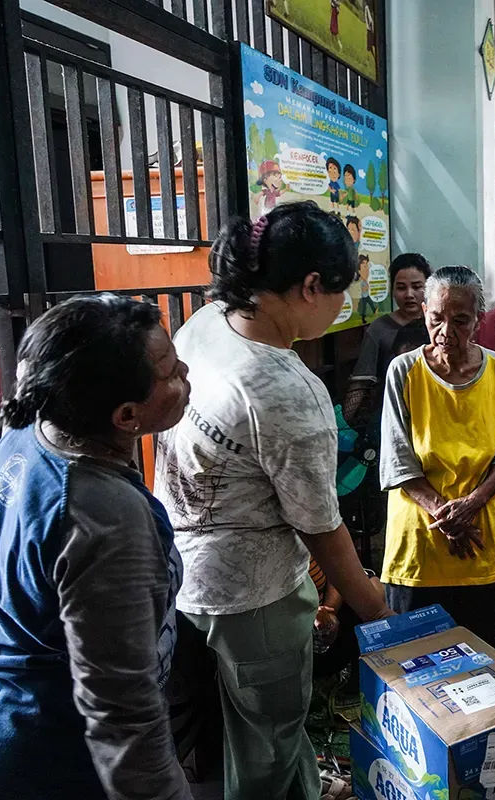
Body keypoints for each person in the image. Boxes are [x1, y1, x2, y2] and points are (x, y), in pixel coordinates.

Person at [155, 201, 391, 800]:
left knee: (227, 726)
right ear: (310, 286)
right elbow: (323, 530)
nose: (343, 307)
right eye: (342, 292)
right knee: (268, 740)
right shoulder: (286, 390)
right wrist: (376, 606)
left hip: (181, 570)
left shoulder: (206, 321)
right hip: (253, 596)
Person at [0, 295, 192, 800]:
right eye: (169, 371)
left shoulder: (32, 428)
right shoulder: (104, 513)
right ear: (127, 414)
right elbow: (121, 709)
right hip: (38, 757)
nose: (184, 371)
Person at [379, 266, 495, 643]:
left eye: (460, 320)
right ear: (424, 312)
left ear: (479, 319)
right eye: (436, 319)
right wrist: (446, 515)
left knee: (476, 661)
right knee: (411, 663)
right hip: (419, 541)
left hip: (479, 538)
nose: (446, 332)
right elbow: (398, 459)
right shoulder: (404, 370)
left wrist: (470, 506)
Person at [343, 252, 432, 425]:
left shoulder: (438, 326)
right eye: (401, 287)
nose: (409, 294)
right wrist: (345, 424)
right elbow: (361, 382)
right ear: (392, 290)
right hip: (391, 415)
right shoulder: (379, 329)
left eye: (417, 286)